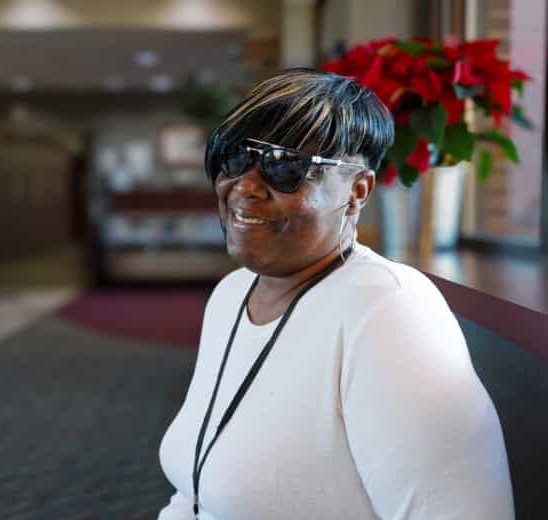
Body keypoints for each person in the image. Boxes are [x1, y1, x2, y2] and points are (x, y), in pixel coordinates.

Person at [157, 68, 514, 519]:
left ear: (357, 190)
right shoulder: (232, 294)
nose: (244, 186)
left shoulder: (388, 310)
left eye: (283, 167)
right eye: (233, 159)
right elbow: (194, 493)